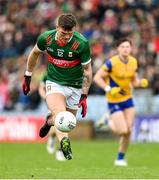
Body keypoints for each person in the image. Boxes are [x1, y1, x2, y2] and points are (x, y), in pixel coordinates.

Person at [22, 13, 92, 160]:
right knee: (61, 115)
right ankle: (64, 143)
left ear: (74, 30)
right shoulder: (46, 38)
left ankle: (49, 122)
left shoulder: (81, 43)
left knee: (69, 123)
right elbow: (34, 54)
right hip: (55, 83)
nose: (67, 37)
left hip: (75, 86)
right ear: (57, 27)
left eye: (70, 33)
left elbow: (87, 71)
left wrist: (84, 95)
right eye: (63, 33)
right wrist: (28, 76)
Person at [93, 38, 148, 166]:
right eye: (122, 47)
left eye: (127, 46)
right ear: (118, 49)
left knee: (128, 131)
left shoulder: (134, 62)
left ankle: (120, 158)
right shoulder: (111, 63)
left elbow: (133, 81)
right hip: (114, 101)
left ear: (131, 48)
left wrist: (140, 82)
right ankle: (108, 121)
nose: (125, 49)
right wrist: (108, 89)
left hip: (128, 99)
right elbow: (97, 78)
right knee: (122, 131)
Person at [38, 72, 65, 161]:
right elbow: (41, 88)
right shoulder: (49, 73)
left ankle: (53, 138)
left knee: (65, 125)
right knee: (59, 123)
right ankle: (60, 150)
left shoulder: (71, 71)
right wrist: (46, 97)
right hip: (54, 100)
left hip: (67, 100)